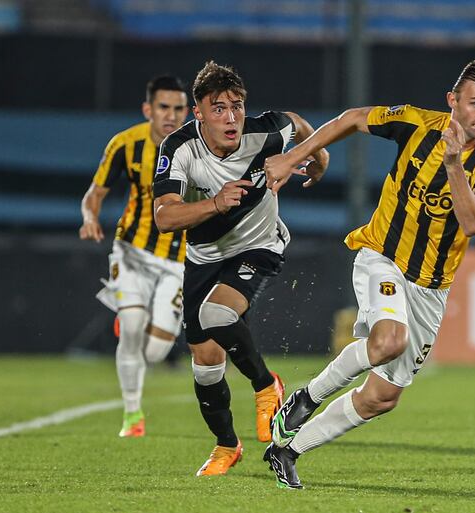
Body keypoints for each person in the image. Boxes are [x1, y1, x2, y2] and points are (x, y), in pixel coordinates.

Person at [262, 58, 475, 489]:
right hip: (383, 256)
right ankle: (305, 399)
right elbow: (352, 118)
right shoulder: (415, 124)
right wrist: (292, 158)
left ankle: (287, 450)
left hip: (432, 287)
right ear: (452, 101)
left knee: (382, 398)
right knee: (387, 341)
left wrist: (454, 165)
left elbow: (474, 223)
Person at [152, 61, 329, 476]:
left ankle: (267, 385)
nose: (230, 117)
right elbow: (164, 217)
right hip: (204, 257)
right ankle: (226, 446)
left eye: (236, 106)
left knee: (217, 315)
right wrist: (215, 203)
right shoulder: (179, 150)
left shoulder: (264, 131)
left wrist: (317, 159)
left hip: (259, 245)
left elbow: (300, 125)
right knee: (206, 364)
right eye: (218, 108)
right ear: (198, 112)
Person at [79, 75, 190, 438]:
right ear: (148, 109)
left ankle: (133, 318)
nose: (170, 115)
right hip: (131, 250)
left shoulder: (198, 146)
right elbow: (95, 193)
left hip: (178, 260)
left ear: (187, 111)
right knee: (130, 330)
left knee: (157, 351)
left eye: (178, 108)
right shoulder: (126, 145)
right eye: (163, 107)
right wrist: (90, 217)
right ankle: (132, 417)